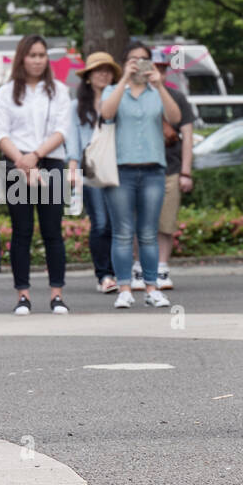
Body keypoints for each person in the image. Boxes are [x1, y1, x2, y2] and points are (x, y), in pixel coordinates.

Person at [0, 33, 73, 315]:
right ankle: (23, 295)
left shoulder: (59, 91)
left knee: (53, 232)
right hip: (16, 165)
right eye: (32, 55)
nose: (38, 60)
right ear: (22, 58)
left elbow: (62, 131)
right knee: (22, 232)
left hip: (50, 163)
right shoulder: (6, 92)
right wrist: (23, 161)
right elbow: (0, 133)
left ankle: (57, 294)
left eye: (42, 55)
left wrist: (35, 157)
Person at [99, 53, 182, 309]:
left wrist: (158, 85)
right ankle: (124, 288)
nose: (139, 64)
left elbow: (176, 118)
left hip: (153, 170)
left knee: (148, 233)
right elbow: (106, 113)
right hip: (121, 170)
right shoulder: (114, 90)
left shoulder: (157, 91)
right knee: (122, 232)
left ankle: (152, 288)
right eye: (134, 59)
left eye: (144, 60)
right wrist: (124, 78)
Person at [131, 44, 195, 291]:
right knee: (140, 222)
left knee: (165, 223)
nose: (158, 73)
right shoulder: (134, 94)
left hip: (170, 168)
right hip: (140, 168)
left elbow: (187, 135)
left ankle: (161, 267)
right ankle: (139, 267)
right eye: (153, 68)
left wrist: (186, 172)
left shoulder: (176, 97)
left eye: (162, 68)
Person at [65, 51, 119, 292]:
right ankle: (104, 275)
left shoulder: (119, 100)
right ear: (88, 77)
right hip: (92, 171)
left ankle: (122, 273)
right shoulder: (76, 106)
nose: (103, 74)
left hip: (118, 168)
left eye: (107, 70)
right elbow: (73, 139)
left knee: (121, 223)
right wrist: (72, 169)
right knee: (101, 223)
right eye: (98, 70)